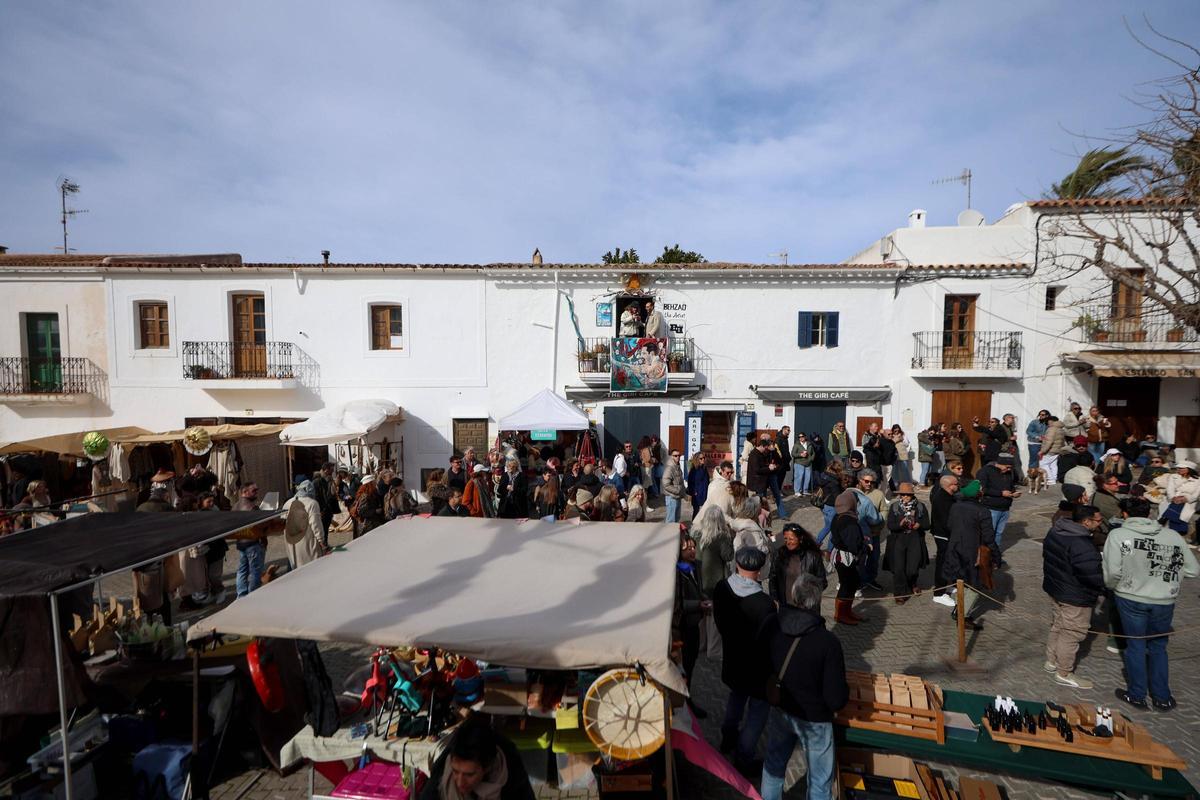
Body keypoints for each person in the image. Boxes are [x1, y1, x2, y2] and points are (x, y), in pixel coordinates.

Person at [1104, 496, 1200, 711]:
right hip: (1164, 599)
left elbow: (1113, 571)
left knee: (1135, 645)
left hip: (1130, 597)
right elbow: (1193, 569)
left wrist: (1115, 586)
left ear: (1125, 514)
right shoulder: (1172, 536)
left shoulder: (1120, 535)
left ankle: (1137, 694)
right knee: (1158, 647)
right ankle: (1162, 696)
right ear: (1149, 513)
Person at [758, 573, 849, 800]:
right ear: (817, 601)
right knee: (819, 781)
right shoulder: (828, 643)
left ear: (793, 595)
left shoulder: (772, 623)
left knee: (773, 767)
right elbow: (836, 698)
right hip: (815, 720)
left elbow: (759, 660)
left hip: (781, 708)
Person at [713, 545, 775, 772]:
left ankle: (727, 737)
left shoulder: (722, 588)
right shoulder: (764, 603)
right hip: (757, 667)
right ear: (759, 570)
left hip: (733, 657)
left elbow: (719, 620)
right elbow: (768, 639)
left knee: (736, 698)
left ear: (737, 564)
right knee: (757, 713)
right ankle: (744, 756)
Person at [1042, 504, 1106, 689]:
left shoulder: (1056, 531)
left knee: (1058, 626)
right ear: (1086, 522)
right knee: (1071, 633)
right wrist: (1103, 587)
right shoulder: (1082, 544)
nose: (1100, 523)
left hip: (1056, 587)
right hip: (1075, 595)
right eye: (1098, 520)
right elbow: (1091, 575)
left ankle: (1051, 661)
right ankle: (1064, 672)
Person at [418, 714, 535, 800]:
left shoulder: (512, 773)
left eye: (469, 774)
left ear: (488, 767)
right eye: (455, 771)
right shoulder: (443, 768)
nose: (460, 782)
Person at [943, 479, 995, 630]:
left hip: (955, 550)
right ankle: (962, 615)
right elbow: (989, 537)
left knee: (961, 581)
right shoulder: (982, 511)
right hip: (972, 554)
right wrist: (996, 557)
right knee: (975, 586)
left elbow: (950, 526)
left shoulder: (955, 506)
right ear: (978, 494)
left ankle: (959, 610)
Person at [672, 533, 710, 708]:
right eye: (688, 549)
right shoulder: (676, 572)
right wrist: (698, 604)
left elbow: (697, 589)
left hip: (695, 623)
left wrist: (704, 599)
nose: (692, 551)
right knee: (684, 665)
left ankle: (688, 697)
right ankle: (684, 701)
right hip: (682, 626)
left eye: (694, 547)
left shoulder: (695, 567)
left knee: (691, 663)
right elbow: (678, 604)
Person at [885, 483, 930, 602]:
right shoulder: (895, 507)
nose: (904, 497)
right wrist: (899, 525)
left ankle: (912, 583)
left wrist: (919, 525)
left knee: (912, 569)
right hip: (898, 540)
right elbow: (890, 525)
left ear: (912, 495)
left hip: (915, 539)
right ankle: (899, 593)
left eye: (907, 495)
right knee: (899, 568)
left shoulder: (921, 507)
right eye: (902, 494)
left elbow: (927, 525)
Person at [830, 490, 868, 625]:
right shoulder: (848, 520)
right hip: (845, 558)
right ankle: (840, 614)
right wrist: (865, 546)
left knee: (851, 584)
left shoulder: (838, 516)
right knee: (847, 585)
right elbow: (853, 544)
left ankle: (847, 612)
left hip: (841, 555)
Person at [770, 523, 826, 608]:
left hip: (807, 606)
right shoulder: (779, 555)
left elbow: (822, 581)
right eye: (785, 539)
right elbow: (773, 578)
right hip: (785, 605)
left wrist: (809, 593)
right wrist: (774, 598)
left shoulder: (813, 557)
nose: (788, 542)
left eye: (791, 539)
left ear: (800, 539)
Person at [976, 453, 1019, 555]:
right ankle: (985, 556)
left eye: (1010, 467)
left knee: (999, 533)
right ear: (999, 463)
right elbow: (982, 489)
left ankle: (995, 555)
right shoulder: (985, 472)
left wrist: (1013, 493)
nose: (1009, 469)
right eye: (1007, 467)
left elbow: (1010, 485)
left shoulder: (1008, 472)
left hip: (1005, 508)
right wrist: (1001, 493)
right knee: (989, 533)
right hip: (991, 507)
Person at [233, 483, 268, 598]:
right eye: (254, 491)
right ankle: (253, 595)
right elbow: (261, 526)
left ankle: (241, 595)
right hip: (252, 543)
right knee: (255, 571)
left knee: (242, 570)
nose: (256, 493)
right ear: (245, 492)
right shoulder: (252, 507)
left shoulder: (235, 507)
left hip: (241, 543)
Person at [929, 474, 959, 606]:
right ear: (949, 486)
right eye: (956, 484)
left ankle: (949, 585)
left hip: (948, 535)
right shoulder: (941, 499)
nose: (958, 486)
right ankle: (939, 593)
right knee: (942, 563)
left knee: (950, 561)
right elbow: (946, 521)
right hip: (943, 536)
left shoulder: (949, 496)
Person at [694, 504, 735, 596]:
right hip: (717, 578)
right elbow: (728, 556)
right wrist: (731, 538)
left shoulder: (696, 534)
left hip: (700, 576)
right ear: (720, 519)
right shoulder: (722, 537)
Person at [282, 480, 324, 569]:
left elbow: (282, 522)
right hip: (307, 540)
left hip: (291, 542)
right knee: (312, 567)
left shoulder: (287, 503)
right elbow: (315, 524)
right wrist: (321, 540)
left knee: (296, 567)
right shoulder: (312, 503)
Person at [1152, 459, 1199, 538]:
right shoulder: (1173, 476)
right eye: (1178, 468)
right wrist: (1173, 497)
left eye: (1181, 468)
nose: (1179, 469)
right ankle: (1180, 529)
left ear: (1189, 469)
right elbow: (1170, 489)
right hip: (1173, 498)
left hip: (1188, 501)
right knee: (1176, 503)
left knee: (1179, 504)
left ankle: (1165, 517)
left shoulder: (1198, 480)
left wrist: (1185, 498)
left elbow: (1196, 495)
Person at [814, 461, 845, 551]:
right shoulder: (834, 482)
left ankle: (817, 544)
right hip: (832, 508)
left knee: (827, 527)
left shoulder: (824, 476)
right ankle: (829, 551)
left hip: (825, 506)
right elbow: (837, 498)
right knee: (833, 530)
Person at [311, 462, 339, 547]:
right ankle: (322, 547)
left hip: (326, 510)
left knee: (325, 529)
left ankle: (325, 545)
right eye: (331, 470)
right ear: (326, 470)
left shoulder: (326, 480)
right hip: (322, 511)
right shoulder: (317, 481)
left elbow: (330, 494)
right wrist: (320, 510)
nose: (332, 472)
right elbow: (316, 497)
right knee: (321, 530)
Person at [661, 448, 684, 523]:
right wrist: (677, 490)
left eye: (679, 455)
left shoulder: (677, 466)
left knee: (676, 518)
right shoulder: (669, 468)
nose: (678, 457)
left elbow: (679, 482)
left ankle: (675, 533)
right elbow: (665, 484)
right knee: (671, 520)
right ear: (671, 456)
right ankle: (668, 534)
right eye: (675, 455)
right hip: (671, 497)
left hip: (677, 496)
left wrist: (683, 492)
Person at [685, 452, 710, 518]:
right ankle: (694, 525)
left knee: (704, 511)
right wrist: (694, 492)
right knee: (696, 511)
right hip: (697, 494)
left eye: (704, 458)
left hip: (704, 493)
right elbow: (690, 483)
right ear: (697, 459)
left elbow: (707, 481)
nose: (703, 460)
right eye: (701, 458)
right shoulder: (694, 470)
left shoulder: (704, 468)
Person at [1026, 410, 1050, 475]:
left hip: (1044, 444)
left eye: (1043, 415)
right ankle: (1031, 476)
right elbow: (1028, 431)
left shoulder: (1048, 423)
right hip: (1034, 444)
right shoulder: (1034, 422)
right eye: (1040, 414)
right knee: (1034, 460)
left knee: (1043, 461)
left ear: (1047, 415)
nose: (1041, 416)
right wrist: (1037, 437)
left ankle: (1041, 477)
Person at [773, 426, 793, 495]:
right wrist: (780, 460)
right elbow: (777, 450)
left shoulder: (785, 439)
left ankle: (779, 490)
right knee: (778, 477)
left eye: (789, 430)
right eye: (788, 430)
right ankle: (776, 492)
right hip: (780, 463)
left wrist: (789, 458)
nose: (789, 431)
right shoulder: (778, 439)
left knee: (782, 477)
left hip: (785, 462)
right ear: (784, 430)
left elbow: (786, 451)